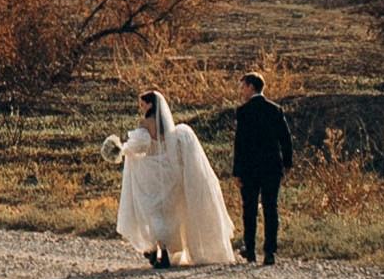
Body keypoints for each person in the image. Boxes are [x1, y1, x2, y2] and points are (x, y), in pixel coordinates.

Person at [113, 89, 235, 268]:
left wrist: (121, 149)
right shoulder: (168, 127)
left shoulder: (145, 124)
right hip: (170, 173)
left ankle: (159, 251)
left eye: (142, 104)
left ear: (150, 105)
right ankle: (165, 251)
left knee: (152, 212)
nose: (140, 108)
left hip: (151, 174)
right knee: (169, 213)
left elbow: (139, 145)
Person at [231, 70, 294, 263]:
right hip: (271, 166)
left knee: (249, 209)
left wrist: (237, 172)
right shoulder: (275, 110)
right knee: (270, 207)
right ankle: (270, 251)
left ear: (251, 87)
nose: (241, 91)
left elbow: (240, 144)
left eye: (243, 87)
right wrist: (288, 163)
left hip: (249, 168)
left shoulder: (243, 111)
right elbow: (286, 138)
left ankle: (250, 250)